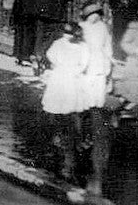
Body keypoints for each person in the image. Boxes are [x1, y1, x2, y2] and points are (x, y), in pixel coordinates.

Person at [41, 22, 89, 183]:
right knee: (64, 109)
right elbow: (52, 55)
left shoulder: (72, 46)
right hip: (66, 79)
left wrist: (67, 69)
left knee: (63, 109)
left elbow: (52, 56)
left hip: (65, 79)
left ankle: (64, 137)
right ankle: (68, 137)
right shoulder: (69, 45)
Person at [77, 0, 114, 197]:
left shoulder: (85, 28)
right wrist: (108, 70)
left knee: (85, 105)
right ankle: (91, 133)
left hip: (89, 69)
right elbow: (108, 50)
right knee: (95, 106)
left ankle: (86, 135)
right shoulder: (103, 28)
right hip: (99, 70)